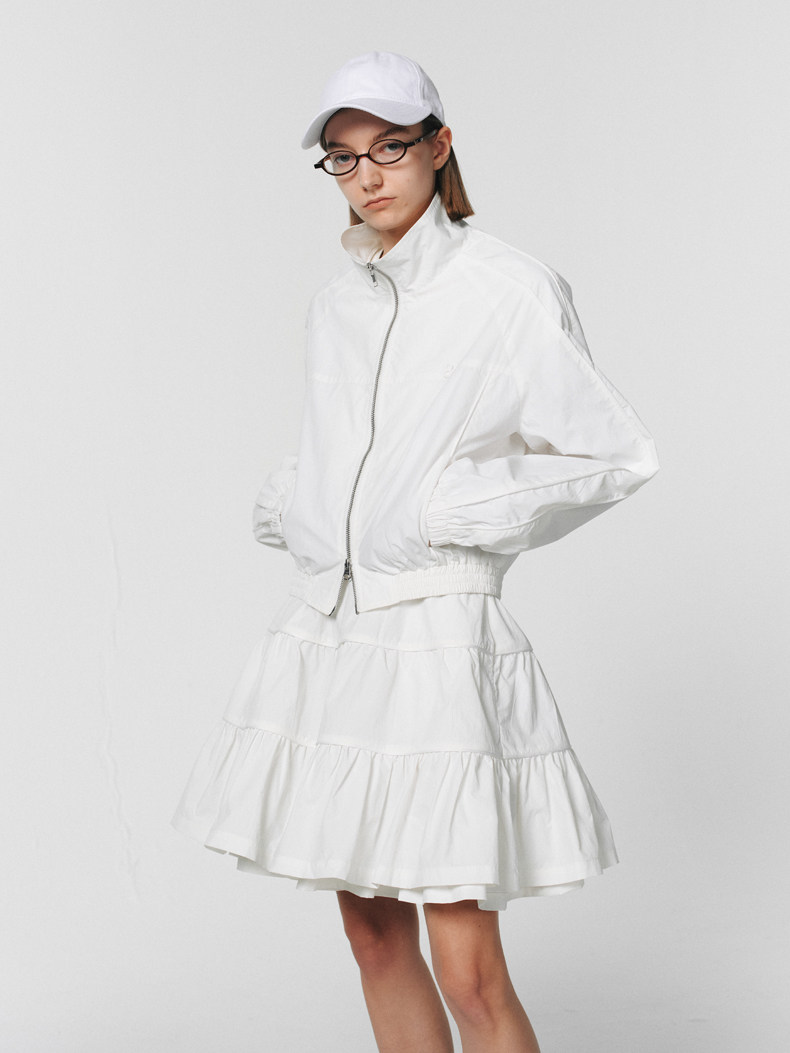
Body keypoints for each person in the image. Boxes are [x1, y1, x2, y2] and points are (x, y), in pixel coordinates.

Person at [172, 50, 660, 1052]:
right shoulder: (336, 304)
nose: (368, 175)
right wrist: (302, 502)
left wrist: (450, 507)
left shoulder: (508, 288)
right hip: (335, 637)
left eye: (389, 147)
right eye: (344, 158)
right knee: (370, 937)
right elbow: (340, 451)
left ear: (439, 146)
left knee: (468, 968)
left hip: (438, 642)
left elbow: (615, 455)